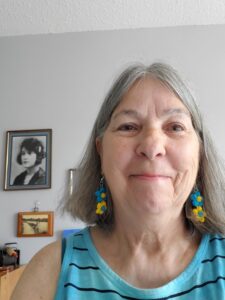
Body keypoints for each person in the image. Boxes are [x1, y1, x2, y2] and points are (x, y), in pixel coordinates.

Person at [12, 62, 225, 300]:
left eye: (175, 127)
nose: (152, 146)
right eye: (128, 126)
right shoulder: (49, 271)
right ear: (101, 151)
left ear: (200, 152)